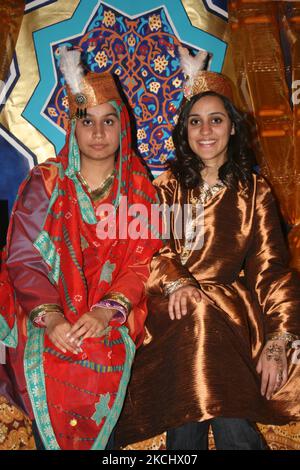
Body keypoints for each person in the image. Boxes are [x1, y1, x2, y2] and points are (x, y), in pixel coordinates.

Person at [115, 47, 300, 450]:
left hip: (232, 313)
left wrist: (278, 338)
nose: (205, 131)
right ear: (185, 131)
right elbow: (150, 250)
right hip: (169, 308)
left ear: (232, 127)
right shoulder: (164, 188)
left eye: (216, 120)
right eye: (195, 122)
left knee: (205, 321)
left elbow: (271, 271)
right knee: (195, 315)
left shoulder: (255, 192)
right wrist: (179, 283)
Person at [0, 47, 161, 450]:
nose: (99, 133)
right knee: (48, 355)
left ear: (123, 128)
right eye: (87, 121)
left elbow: (141, 262)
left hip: (110, 311)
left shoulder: (139, 191)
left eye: (109, 122)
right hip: (43, 309)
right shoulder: (47, 183)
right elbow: (23, 256)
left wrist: (107, 311)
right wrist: (51, 318)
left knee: (99, 352)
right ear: (73, 127)